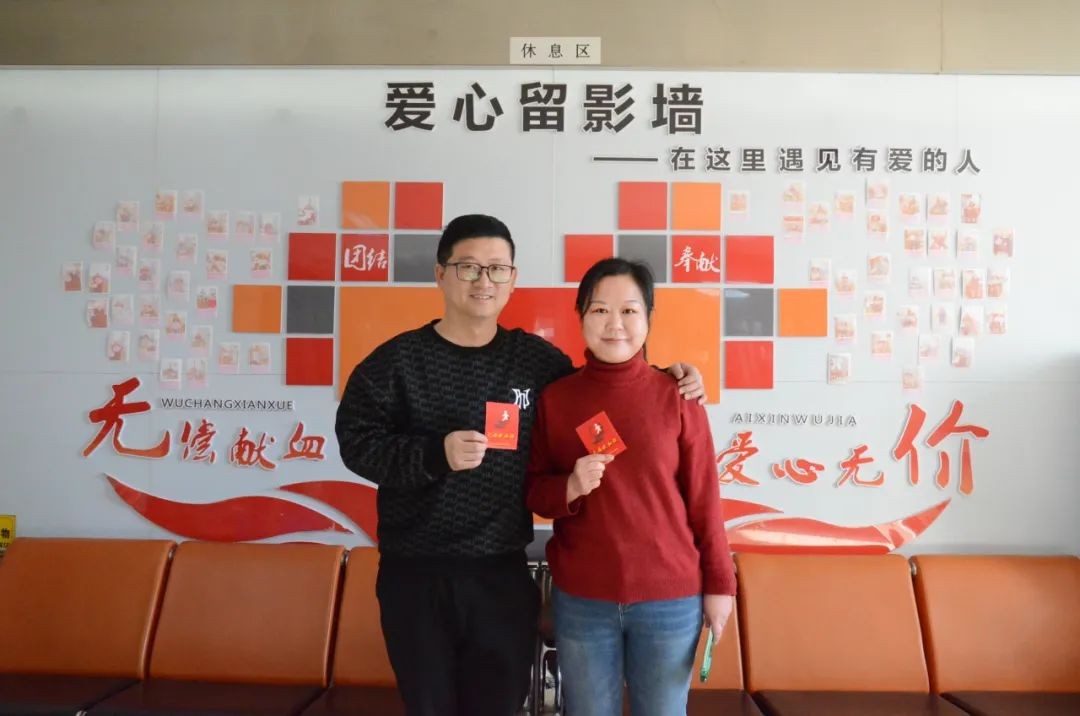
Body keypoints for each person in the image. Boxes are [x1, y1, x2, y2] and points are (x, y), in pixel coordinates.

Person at [335, 215, 706, 716]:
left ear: (512, 279)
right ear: (441, 274)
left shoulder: (534, 361)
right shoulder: (396, 362)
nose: (483, 280)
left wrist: (669, 378)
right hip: (416, 575)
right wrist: (434, 454)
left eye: (497, 269)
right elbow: (356, 443)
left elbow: (600, 387)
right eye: (468, 267)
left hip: (501, 576)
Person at [524, 258, 735, 716]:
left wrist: (721, 585)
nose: (614, 324)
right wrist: (571, 486)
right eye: (600, 310)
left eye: (629, 310)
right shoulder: (557, 399)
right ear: (581, 315)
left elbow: (705, 501)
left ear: (648, 318)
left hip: (670, 599)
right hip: (583, 598)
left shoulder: (678, 396)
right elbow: (535, 492)